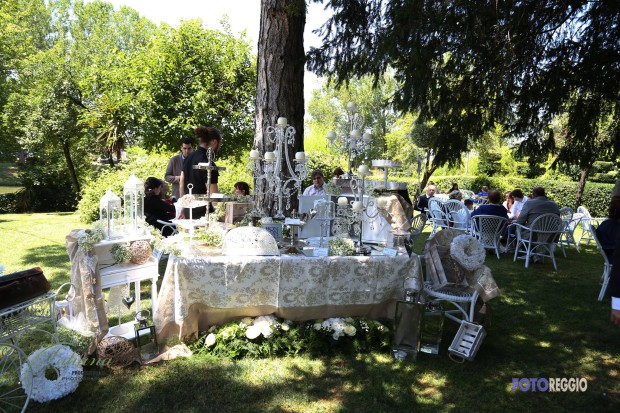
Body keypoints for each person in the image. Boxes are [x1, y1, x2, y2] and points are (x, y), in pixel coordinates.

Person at [181, 126, 222, 218]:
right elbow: (213, 195)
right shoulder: (208, 163)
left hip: (188, 207)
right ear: (214, 142)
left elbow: (181, 182)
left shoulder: (188, 158)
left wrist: (183, 206)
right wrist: (221, 215)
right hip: (203, 212)